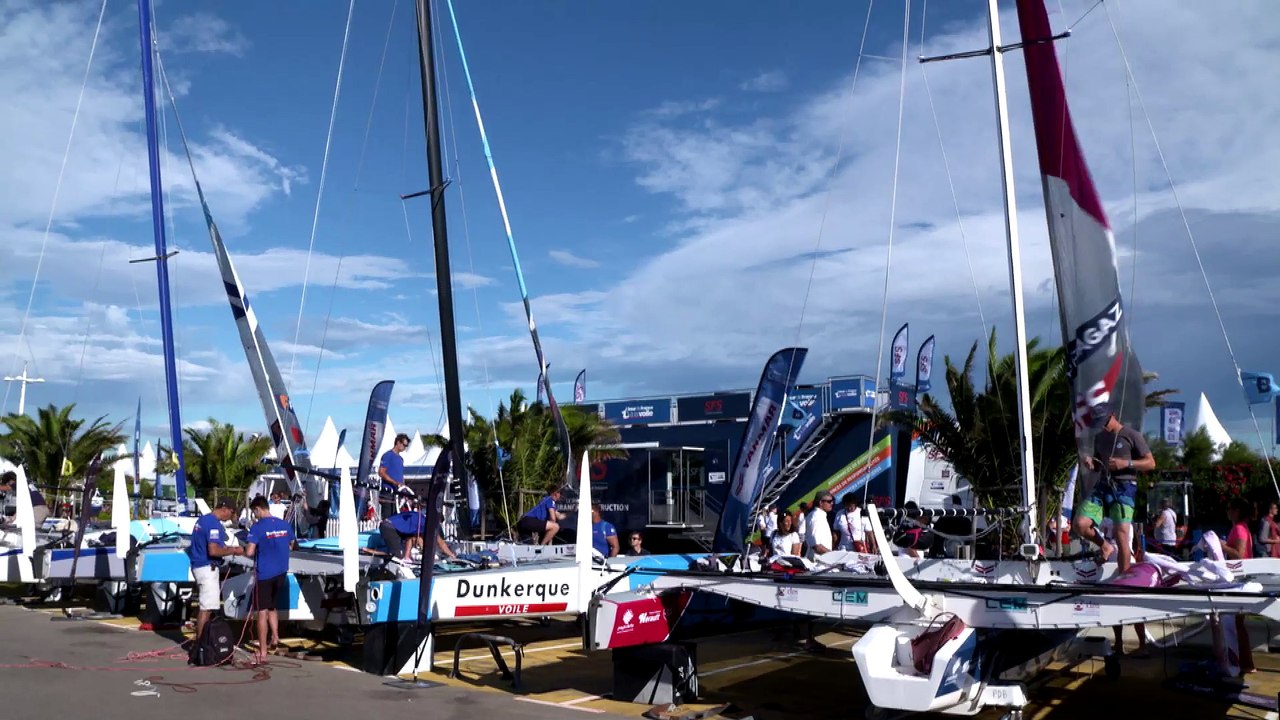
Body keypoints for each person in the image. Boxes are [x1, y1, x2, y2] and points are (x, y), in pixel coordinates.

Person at [1072, 403, 1155, 573]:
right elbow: (1098, 465)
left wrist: (1126, 463)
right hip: (1103, 485)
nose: (1102, 425)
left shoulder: (1132, 435)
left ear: (1113, 415)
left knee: (1121, 533)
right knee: (1080, 524)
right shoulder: (1100, 437)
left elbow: (1151, 463)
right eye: (1099, 422)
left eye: (1104, 421)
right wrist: (1091, 463)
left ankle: (1124, 577)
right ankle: (1105, 547)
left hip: (1124, 487)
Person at [244, 495, 295, 665]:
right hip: (281, 571)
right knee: (273, 606)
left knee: (262, 612)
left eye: (254, 512)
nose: (254, 516)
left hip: (265, 573)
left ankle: (263, 652)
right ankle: (275, 636)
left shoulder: (257, 528)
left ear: (258, 509)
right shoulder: (284, 524)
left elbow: (250, 552)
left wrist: (246, 548)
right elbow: (292, 545)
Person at [189, 497, 245, 646]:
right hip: (207, 568)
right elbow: (213, 550)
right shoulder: (214, 525)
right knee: (206, 608)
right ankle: (201, 645)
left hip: (198, 566)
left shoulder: (202, 520)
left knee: (205, 606)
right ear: (224, 509)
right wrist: (234, 550)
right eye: (231, 513)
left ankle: (202, 641)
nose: (231, 517)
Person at [1224, 498, 1257, 673]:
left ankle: (1245, 663)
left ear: (1236, 511)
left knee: (1237, 624)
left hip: (1240, 581)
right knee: (1238, 623)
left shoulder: (1239, 529)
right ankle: (1246, 662)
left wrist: (1223, 546)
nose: (1227, 512)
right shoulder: (1243, 528)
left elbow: (1239, 555)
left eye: (1229, 508)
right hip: (1242, 580)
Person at [378, 505, 455, 565]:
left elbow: (411, 537)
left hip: (388, 525)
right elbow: (440, 542)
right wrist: (451, 555)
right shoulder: (425, 523)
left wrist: (407, 556)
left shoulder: (420, 518)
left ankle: (406, 558)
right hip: (389, 528)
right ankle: (386, 564)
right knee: (396, 557)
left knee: (401, 553)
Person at [377, 434, 411, 521]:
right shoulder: (388, 455)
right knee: (387, 519)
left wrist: (404, 489)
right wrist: (395, 482)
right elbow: (381, 472)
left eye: (406, 446)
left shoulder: (400, 459)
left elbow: (400, 476)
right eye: (404, 445)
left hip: (398, 493)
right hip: (388, 492)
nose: (405, 448)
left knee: (397, 518)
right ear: (398, 443)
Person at [805, 493, 834, 559]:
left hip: (823, 561)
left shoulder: (820, 515)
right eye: (829, 501)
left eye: (832, 501)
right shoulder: (816, 517)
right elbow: (816, 546)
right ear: (821, 503)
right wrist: (833, 556)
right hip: (818, 564)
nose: (832, 503)